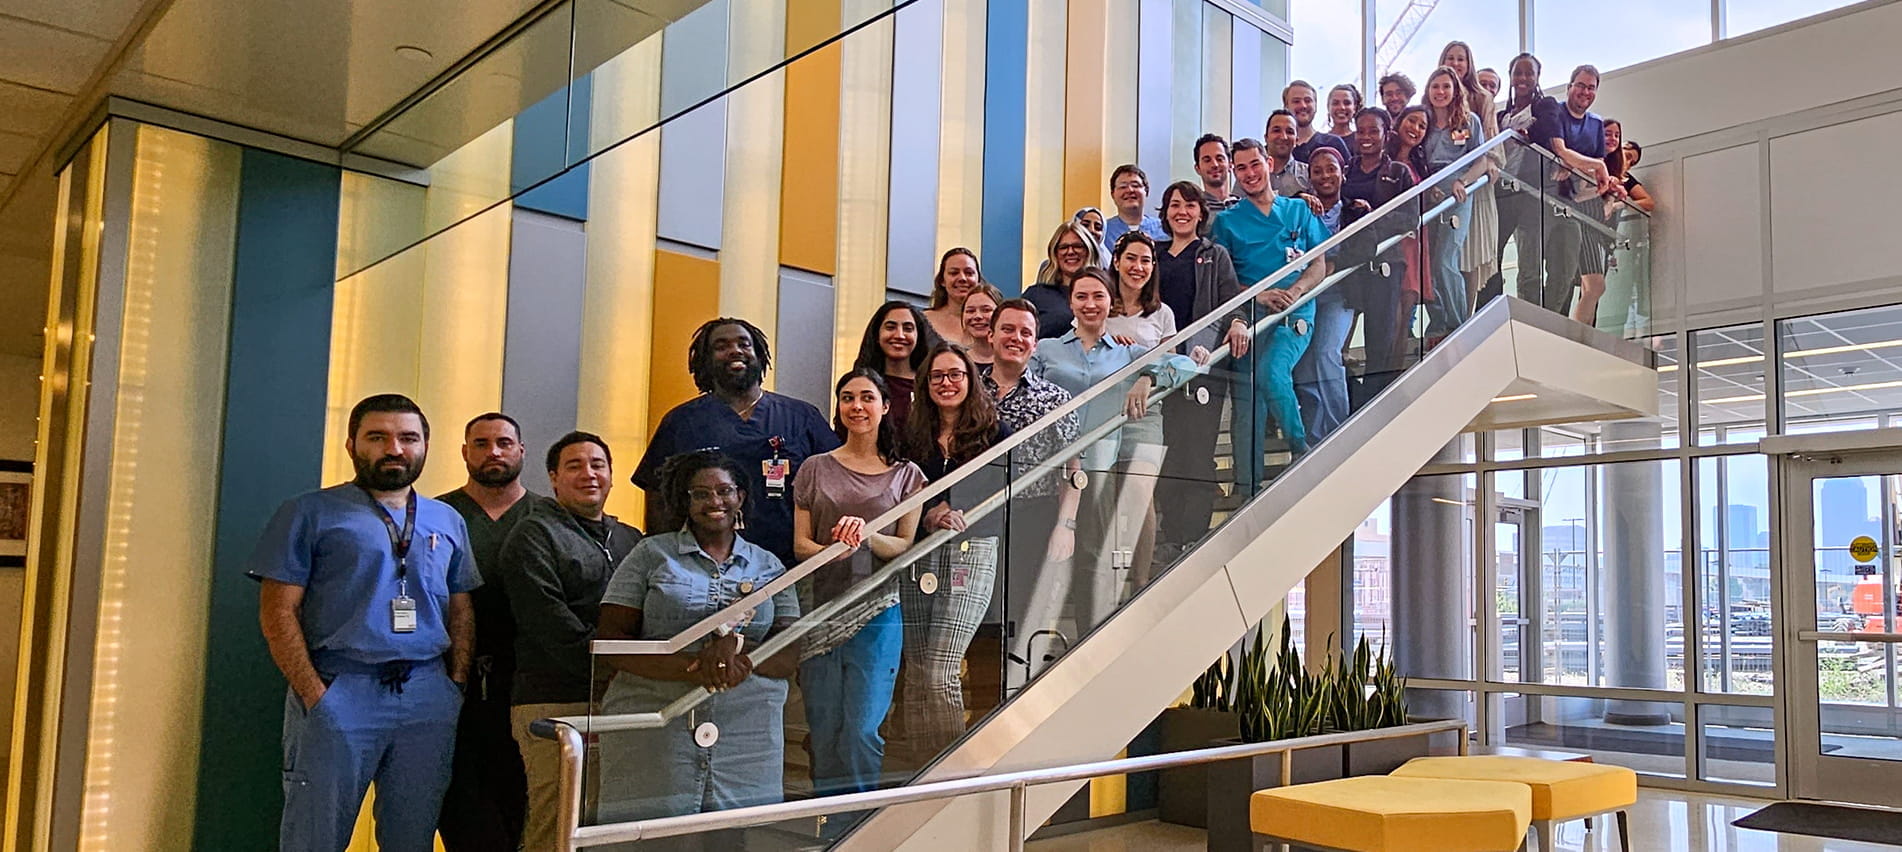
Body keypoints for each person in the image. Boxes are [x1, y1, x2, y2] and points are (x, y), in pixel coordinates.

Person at [251, 393, 475, 852]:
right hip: (340, 688)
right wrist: (316, 694)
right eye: (378, 437)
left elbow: (461, 608)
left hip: (427, 695)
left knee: (412, 836)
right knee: (314, 837)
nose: (394, 448)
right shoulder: (308, 513)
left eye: (408, 438)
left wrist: (454, 683)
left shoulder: (447, 519)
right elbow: (277, 610)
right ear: (352, 444)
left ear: (425, 447)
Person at [595, 450, 800, 842]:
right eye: (701, 493)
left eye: (725, 491)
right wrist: (695, 666)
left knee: (734, 841)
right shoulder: (650, 554)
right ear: (684, 501)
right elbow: (610, 642)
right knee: (659, 841)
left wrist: (738, 660)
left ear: (740, 496)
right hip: (657, 726)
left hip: (747, 735)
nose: (715, 501)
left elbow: (789, 652)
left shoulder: (768, 565)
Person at [496, 431, 641, 850]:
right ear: (554, 479)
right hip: (554, 701)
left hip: (621, 700)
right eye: (575, 466)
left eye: (598, 465)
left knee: (606, 822)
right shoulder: (532, 536)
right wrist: (617, 669)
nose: (589, 474)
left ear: (612, 476)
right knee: (556, 819)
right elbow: (550, 624)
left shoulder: (630, 538)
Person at [794, 369, 926, 799]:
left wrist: (867, 535)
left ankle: (858, 831)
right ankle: (828, 822)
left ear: (885, 406)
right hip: (819, 609)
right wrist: (834, 550)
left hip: (878, 610)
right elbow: (800, 545)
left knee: (862, 730)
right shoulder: (814, 468)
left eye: (866, 398)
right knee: (825, 727)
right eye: (847, 398)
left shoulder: (907, 474)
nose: (856, 406)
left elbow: (904, 545)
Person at [1023, 269, 1168, 652]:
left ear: (1110, 303)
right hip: (1047, 468)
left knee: (1092, 556)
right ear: (1070, 303)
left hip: (1097, 469)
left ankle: (1090, 641)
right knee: (1039, 554)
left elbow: (1180, 365)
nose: (1090, 304)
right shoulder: (1047, 349)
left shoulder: (1128, 353)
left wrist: (1146, 378)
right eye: (1082, 297)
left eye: (1098, 297)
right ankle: (1034, 641)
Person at [632, 318, 840, 569]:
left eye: (744, 343)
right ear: (706, 360)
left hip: (790, 567)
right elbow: (656, 500)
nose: (735, 350)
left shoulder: (801, 416)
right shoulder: (681, 421)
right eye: (721, 346)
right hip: (702, 569)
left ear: (759, 354)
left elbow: (838, 480)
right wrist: (666, 563)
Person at [898, 342, 1013, 756]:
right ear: (925, 384)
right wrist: (929, 514)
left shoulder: (994, 431)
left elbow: (1004, 489)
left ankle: (946, 776)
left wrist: (955, 508)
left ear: (970, 380)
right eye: (937, 376)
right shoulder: (910, 434)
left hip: (973, 548)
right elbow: (898, 491)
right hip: (918, 554)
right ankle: (916, 771)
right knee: (915, 672)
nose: (947, 383)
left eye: (956, 375)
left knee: (941, 671)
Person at [435, 413, 535, 852]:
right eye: (481, 443)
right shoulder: (435, 515)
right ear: (464, 452)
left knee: (527, 799)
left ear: (521, 451)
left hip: (528, 680)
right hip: (449, 679)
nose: (493, 451)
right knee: (460, 800)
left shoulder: (549, 517)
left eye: (503, 442)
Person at [1211, 138, 1332, 480]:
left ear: (1268, 163)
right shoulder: (1228, 223)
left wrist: (1295, 291)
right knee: (1247, 405)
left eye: (1255, 164)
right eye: (1241, 168)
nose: (1250, 173)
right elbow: (1224, 279)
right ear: (1235, 173)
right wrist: (1260, 295)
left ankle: (1299, 446)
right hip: (1248, 317)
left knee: (1272, 372)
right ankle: (1247, 487)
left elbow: (1319, 263)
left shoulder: (1298, 210)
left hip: (1293, 314)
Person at [983, 299, 1081, 687]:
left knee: (1025, 611)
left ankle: (1018, 690)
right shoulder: (965, 389)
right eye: (1008, 329)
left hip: (1034, 516)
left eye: (1026, 332)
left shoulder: (1056, 400)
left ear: (1035, 344)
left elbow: (1074, 472)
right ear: (990, 335)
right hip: (975, 516)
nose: (1016, 338)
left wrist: (1066, 525)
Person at [1106, 231, 1209, 591]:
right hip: (1102, 414)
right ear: (1116, 261)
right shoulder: (1100, 305)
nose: (1138, 267)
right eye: (1131, 258)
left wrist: (1148, 378)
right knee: (1101, 501)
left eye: (1146, 260)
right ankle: (1105, 584)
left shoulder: (1162, 313)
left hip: (1146, 413)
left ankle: (1140, 583)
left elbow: (1173, 365)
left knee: (1140, 494)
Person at [1152, 180, 1249, 558]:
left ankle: (1189, 534)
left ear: (1200, 213)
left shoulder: (1214, 253)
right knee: (1166, 450)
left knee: (1196, 451)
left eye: (1190, 205)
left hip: (1200, 368)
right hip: (1158, 369)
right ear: (1164, 212)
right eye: (1175, 205)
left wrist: (1239, 323)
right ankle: (1167, 531)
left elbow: (1231, 300)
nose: (1182, 212)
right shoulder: (1153, 254)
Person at [1344, 106, 1427, 391]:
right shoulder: (1346, 170)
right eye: (1361, 131)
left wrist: (1373, 216)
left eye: (1373, 131)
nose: (1366, 137)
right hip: (1350, 263)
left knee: (1380, 336)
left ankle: (1376, 397)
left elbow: (1410, 218)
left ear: (1386, 134)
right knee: (1339, 337)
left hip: (1385, 263)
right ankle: (1351, 395)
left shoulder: (1398, 171)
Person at [1417, 66, 1487, 339]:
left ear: (1455, 90)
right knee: (1429, 260)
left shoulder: (1468, 121)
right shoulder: (1422, 120)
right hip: (1427, 191)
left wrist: (1464, 182)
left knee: (1446, 258)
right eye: (1435, 86)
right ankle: (1438, 320)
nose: (1440, 92)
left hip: (1456, 191)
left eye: (1446, 86)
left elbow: (1481, 159)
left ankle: (1458, 323)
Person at [1290, 146, 1354, 444]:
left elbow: (1363, 248)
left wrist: (1332, 264)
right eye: (1317, 171)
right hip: (1304, 298)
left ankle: (1340, 430)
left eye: (1331, 169)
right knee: (1302, 363)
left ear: (1342, 172)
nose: (1325, 176)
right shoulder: (1300, 210)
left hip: (1338, 295)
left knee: (1328, 353)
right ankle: (1315, 437)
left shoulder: (1355, 209)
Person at [1441, 41, 1503, 317]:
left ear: (1469, 64)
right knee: (1444, 256)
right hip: (1442, 187)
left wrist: (1483, 167)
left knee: (1471, 254)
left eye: (1461, 59)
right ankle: (1447, 319)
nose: (1455, 63)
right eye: (1450, 58)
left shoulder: (1482, 99)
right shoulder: (1436, 96)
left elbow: (1492, 142)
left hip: (1474, 185)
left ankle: (1465, 317)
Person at [852, 301, 936, 428]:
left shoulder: (932, 384)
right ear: (876, 334)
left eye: (908, 329)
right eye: (890, 327)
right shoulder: (857, 384)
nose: (900, 335)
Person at [1024, 221, 1098, 339]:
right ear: (1055, 253)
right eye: (1063, 247)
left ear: (1089, 250)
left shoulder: (1106, 295)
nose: (1070, 252)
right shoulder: (1036, 295)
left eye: (1077, 246)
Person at [922, 247, 982, 344]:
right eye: (954, 273)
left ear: (978, 280)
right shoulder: (922, 320)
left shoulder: (992, 324)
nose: (962, 278)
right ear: (942, 281)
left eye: (969, 273)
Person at [1285, 80, 1350, 163]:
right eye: (1296, 101)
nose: (1303, 105)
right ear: (1286, 106)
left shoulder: (1334, 143)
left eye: (1308, 100)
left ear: (1315, 106)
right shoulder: (1278, 147)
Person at [1103, 164, 1167, 247]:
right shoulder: (1103, 232)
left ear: (1146, 191)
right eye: (1123, 187)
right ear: (1113, 194)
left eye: (1135, 185)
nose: (1130, 190)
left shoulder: (1164, 229)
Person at [1264, 110, 1315, 198]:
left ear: (1296, 140)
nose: (1283, 137)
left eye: (1290, 132)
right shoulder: (1254, 172)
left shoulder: (1309, 174)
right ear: (1266, 137)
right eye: (1276, 131)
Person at [962, 281, 1004, 374]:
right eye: (970, 311)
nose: (978, 316)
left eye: (986, 310)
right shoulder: (956, 361)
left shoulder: (1014, 362)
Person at [1194, 133, 1237, 210]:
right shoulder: (1194, 211)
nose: (1214, 165)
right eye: (1207, 160)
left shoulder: (1247, 208)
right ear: (1198, 169)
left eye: (1219, 159)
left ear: (1230, 165)